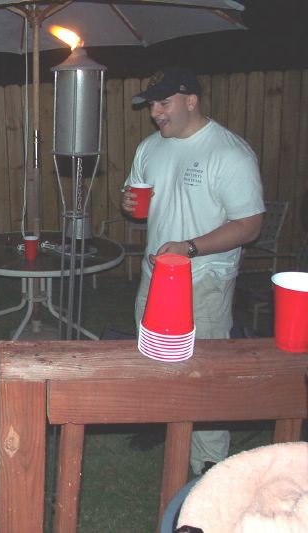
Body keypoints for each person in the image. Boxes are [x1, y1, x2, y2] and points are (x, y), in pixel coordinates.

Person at [121, 66, 265, 475]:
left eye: (163, 103)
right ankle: (164, 424)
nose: (155, 113)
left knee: (203, 373)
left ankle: (209, 464)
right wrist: (129, 204)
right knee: (153, 357)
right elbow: (137, 198)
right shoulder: (150, 148)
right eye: (152, 104)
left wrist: (190, 247)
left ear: (191, 100)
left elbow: (250, 225)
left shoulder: (229, 153)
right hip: (155, 276)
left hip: (204, 278)